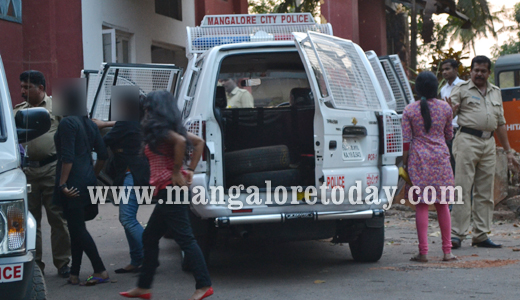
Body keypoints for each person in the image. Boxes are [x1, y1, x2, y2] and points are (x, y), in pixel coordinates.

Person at [120, 91, 213, 300]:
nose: (145, 111)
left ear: (155, 108)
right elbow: (198, 143)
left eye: (147, 107)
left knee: (185, 238)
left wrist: (177, 171)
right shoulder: (166, 128)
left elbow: (181, 142)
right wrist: (189, 170)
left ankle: (204, 285)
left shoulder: (160, 128)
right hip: (168, 189)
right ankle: (144, 287)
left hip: (170, 189)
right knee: (150, 236)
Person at [448, 55, 520, 249]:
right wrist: (450, 110)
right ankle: (456, 234)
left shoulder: (496, 92)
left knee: (485, 192)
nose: (479, 74)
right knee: (462, 188)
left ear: (489, 73)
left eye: (483, 71)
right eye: (476, 70)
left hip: (489, 144)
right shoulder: (461, 90)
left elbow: (501, 123)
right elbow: (449, 113)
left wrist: (508, 151)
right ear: (470, 71)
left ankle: (481, 235)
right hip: (466, 141)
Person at [14, 70, 71, 278]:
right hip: (27, 171)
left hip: (52, 169)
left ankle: (63, 263)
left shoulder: (58, 106)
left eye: (27, 87)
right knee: (30, 219)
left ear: (41, 88)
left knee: (57, 217)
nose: (22, 91)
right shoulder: (18, 111)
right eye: (21, 87)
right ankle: (35, 264)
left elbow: (73, 130)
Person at [53, 84, 110, 285]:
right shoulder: (89, 124)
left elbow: (67, 157)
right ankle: (74, 274)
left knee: (77, 229)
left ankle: (100, 270)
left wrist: (62, 184)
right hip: (87, 181)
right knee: (78, 227)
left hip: (72, 182)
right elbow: (102, 155)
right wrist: (91, 175)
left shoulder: (67, 123)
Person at [402, 71, 457, 262]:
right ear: (436, 88)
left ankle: (423, 252)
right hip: (441, 159)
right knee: (443, 205)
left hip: (419, 160)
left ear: (417, 89)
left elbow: (406, 141)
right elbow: (449, 136)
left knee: (422, 205)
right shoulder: (445, 108)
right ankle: (447, 252)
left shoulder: (409, 110)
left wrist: (405, 163)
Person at [94, 95, 149, 274]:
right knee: (127, 218)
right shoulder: (138, 120)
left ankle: (149, 258)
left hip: (131, 173)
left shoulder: (126, 123)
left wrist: (92, 129)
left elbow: (103, 142)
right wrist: (106, 124)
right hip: (135, 173)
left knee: (127, 218)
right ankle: (137, 260)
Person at [440, 59, 464, 172]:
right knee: (451, 161)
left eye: (447, 69)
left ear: (455, 70)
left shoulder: (464, 86)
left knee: (462, 161)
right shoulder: (443, 90)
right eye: (443, 70)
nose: (444, 72)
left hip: (461, 129)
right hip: (449, 130)